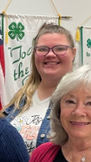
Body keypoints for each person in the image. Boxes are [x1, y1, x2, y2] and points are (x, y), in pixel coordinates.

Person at [4, 23, 76, 153]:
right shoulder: (21, 98)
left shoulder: (81, 102)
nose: (50, 54)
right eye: (43, 49)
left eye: (59, 48)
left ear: (73, 53)